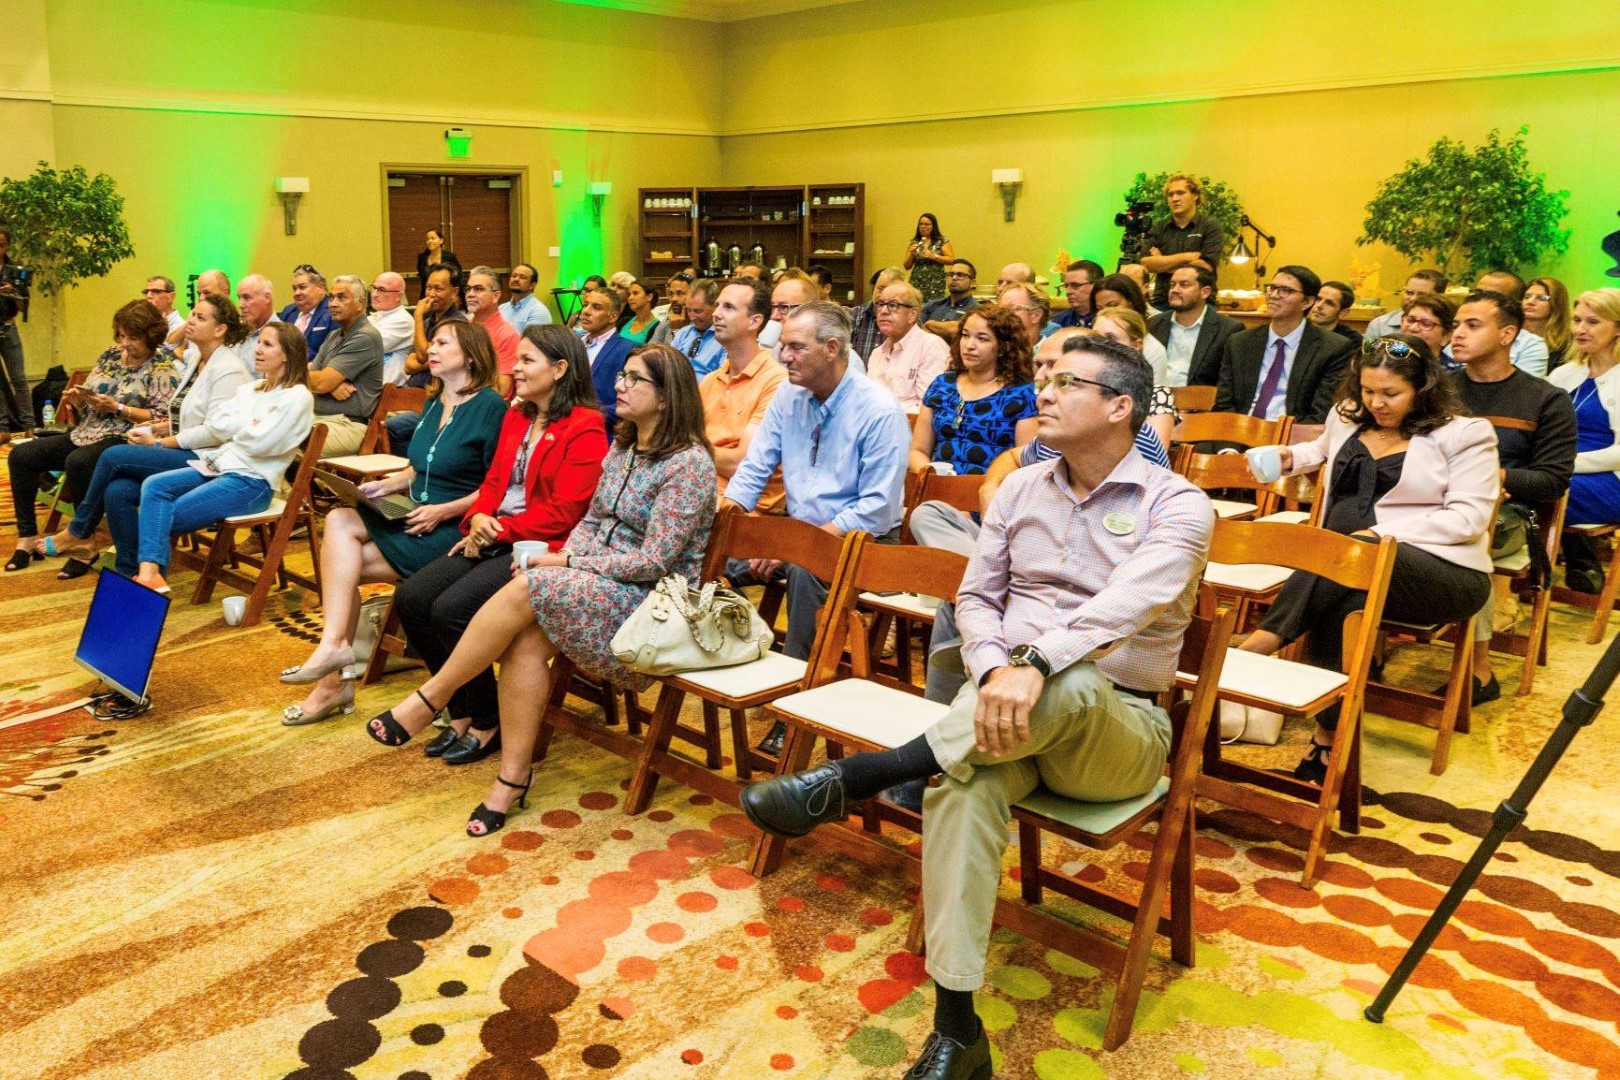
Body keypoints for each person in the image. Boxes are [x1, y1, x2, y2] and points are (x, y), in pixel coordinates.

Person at [740, 336, 1212, 1078]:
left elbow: (1127, 606)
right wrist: (999, 669)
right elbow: (977, 597)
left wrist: (1033, 663)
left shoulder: (1177, 503)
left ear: (1120, 407)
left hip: (1118, 733)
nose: (1044, 393)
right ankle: (959, 1032)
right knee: (961, 787)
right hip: (1006, 721)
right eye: (1045, 380)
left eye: (1067, 383)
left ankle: (859, 776)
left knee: (1074, 676)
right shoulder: (1023, 489)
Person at [365, 344, 717, 839]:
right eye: (623, 376)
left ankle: (433, 696)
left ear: (666, 397)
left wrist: (566, 560)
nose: (619, 385)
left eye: (634, 379)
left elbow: (654, 562)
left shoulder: (688, 465)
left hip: (651, 604)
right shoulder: (625, 446)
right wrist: (566, 558)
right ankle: (512, 777)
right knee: (527, 637)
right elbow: (592, 521)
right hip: (595, 585)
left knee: (531, 582)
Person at [1232, 334, 1497, 780]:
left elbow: (1468, 519)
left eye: (1391, 393)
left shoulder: (1465, 434)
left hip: (1442, 575)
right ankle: (1326, 744)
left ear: (1423, 388)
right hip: (1352, 573)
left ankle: (1263, 641)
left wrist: (1378, 534)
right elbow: (1318, 453)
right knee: (1348, 596)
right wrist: (1284, 456)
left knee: (1349, 557)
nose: (1377, 402)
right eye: (1368, 391)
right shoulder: (1348, 416)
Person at [281, 319, 508, 725]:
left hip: (450, 527)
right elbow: (422, 464)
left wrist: (445, 509)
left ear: (471, 356)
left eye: (442, 343)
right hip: (413, 511)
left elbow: (496, 486)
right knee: (340, 519)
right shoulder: (437, 398)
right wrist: (392, 483)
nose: (430, 349)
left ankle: (334, 680)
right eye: (433, 341)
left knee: (341, 569)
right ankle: (334, 648)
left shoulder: (490, 406)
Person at [396, 325, 607, 762]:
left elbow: (565, 511)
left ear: (560, 368)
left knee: (451, 610)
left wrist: (496, 530)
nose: (515, 367)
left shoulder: (585, 426)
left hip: (539, 546)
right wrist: (476, 519)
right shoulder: (520, 414)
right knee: (413, 597)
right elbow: (493, 481)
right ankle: (459, 712)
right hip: (494, 530)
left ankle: (487, 720)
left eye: (528, 360)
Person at [725, 303, 911, 754]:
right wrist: (727, 517)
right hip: (801, 532)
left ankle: (795, 702)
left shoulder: (879, 410)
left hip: (867, 542)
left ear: (832, 349)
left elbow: (876, 507)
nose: (782, 357)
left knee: (807, 575)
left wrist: (796, 547)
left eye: (794, 347)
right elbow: (754, 469)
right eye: (782, 345)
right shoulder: (789, 397)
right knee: (717, 559)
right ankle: (736, 671)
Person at [40, 295, 256, 577]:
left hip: (207, 459)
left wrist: (159, 442)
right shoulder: (196, 360)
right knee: (117, 491)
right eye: (192, 314)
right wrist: (156, 428)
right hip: (185, 448)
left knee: (112, 456)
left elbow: (216, 432)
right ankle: (130, 570)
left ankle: (79, 529)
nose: (190, 320)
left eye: (200, 318)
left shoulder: (228, 369)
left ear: (220, 329)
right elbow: (185, 418)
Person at [119, 321, 316, 594]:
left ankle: (148, 578)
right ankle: (150, 574)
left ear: (287, 354)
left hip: (253, 482)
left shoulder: (297, 397)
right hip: (222, 465)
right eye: (259, 342)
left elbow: (260, 443)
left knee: (164, 516)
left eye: (268, 344)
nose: (258, 349)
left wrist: (239, 426)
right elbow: (218, 423)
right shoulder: (254, 388)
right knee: (154, 485)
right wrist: (247, 424)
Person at [1449, 290, 1573, 694]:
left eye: (1472, 325)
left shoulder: (1545, 399)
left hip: (1510, 516)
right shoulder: (1440, 391)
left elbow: (1553, 481)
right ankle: (1370, 650)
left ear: (1507, 335)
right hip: (1436, 501)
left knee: (1470, 536)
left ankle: (1480, 672)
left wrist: (1488, 477)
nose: (1458, 334)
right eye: (1456, 325)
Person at [7, 301, 180, 572]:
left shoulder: (162, 368)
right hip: (86, 431)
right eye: (122, 336)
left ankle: (84, 542)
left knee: (80, 461)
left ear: (151, 336)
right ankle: (27, 536)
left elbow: (161, 420)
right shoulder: (110, 355)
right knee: (22, 455)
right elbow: (89, 396)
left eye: (133, 338)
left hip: (125, 438)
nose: (126, 344)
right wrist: (78, 400)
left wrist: (119, 408)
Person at [1545, 290, 1620, 592]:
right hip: (1562, 470)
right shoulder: (1564, 374)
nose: (1580, 329)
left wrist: (1563, 465)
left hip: (1610, 480)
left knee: (1534, 492)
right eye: (1577, 320)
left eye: (1592, 321)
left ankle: (1527, 575)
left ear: (1618, 328)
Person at [1215, 266, 1354, 423]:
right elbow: (1223, 405)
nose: (1274, 295)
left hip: (1292, 438)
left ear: (1307, 302)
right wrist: (1229, 447)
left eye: (1285, 290)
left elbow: (1321, 415)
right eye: (1272, 288)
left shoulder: (1332, 348)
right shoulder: (1239, 342)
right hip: (1238, 432)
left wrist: (1283, 444)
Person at [909, 305, 1036, 476]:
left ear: (1004, 347)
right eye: (965, 335)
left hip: (992, 492)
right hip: (937, 487)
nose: (969, 345)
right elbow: (918, 450)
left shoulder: (1022, 394)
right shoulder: (942, 385)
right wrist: (931, 476)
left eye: (982, 339)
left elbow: (1027, 465)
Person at [701, 281, 788, 512]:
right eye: (717, 305)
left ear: (755, 321)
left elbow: (742, 463)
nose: (716, 313)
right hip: (701, 493)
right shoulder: (710, 381)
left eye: (728, 307)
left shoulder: (776, 381)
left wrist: (692, 451)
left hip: (745, 510)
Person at [307, 275, 384, 458]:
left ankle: (295, 487)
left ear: (361, 303)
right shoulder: (333, 336)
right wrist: (331, 385)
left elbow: (318, 383)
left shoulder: (365, 336)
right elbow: (313, 377)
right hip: (318, 419)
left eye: (341, 297)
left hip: (349, 425)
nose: (332, 304)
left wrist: (326, 384)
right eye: (331, 297)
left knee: (282, 442)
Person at [1149, 264, 1242, 388]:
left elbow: (1230, 382)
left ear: (1205, 292)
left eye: (1184, 285)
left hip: (1199, 402)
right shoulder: (1154, 324)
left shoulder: (1228, 330)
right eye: (1172, 285)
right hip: (1155, 401)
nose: (1175, 290)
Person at [1141, 174, 1225, 302]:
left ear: (1195, 196)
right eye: (1170, 194)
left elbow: (1205, 266)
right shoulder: (1159, 227)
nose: (1175, 198)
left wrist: (1162, 262)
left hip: (1200, 301)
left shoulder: (1210, 226)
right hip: (1164, 300)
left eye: (1180, 193)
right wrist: (1189, 257)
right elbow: (1146, 264)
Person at [868, 281, 951, 412]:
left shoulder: (930, 346)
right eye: (879, 304)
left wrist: (883, 412)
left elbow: (930, 408)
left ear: (912, 314)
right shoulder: (877, 353)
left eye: (893, 305)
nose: (883, 311)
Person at [577, 286, 635, 431]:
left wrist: (588, 417)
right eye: (585, 305)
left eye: (596, 307)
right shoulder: (572, 344)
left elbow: (633, 400)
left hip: (605, 431)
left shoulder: (629, 349)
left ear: (613, 316)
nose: (586, 311)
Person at [1475, 270, 1550, 377]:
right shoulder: (1460, 333)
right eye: (1477, 294)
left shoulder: (1531, 345)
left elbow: (1522, 391)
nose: (1478, 301)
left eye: (1490, 297)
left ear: (1514, 305)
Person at [463, 266, 522, 395]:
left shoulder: (507, 335)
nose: (470, 294)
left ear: (496, 296)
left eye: (478, 289)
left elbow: (501, 391)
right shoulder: (463, 329)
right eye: (468, 289)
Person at [0, 228, 33, 437]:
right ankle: (2, 428)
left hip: (8, 327)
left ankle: (29, 425)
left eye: (2, 244)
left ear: (7, 247)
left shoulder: (14, 271)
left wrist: (13, 292)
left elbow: (22, 307)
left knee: (19, 379)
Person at [1365, 270, 1448, 341]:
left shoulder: (1450, 327)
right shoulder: (1379, 325)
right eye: (1409, 293)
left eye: (1422, 295)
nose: (1413, 299)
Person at [670, 278, 723, 378]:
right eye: (689, 310)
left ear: (715, 306)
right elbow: (669, 366)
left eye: (698, 311)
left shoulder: (725, 338)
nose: (692, 317)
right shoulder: (683, 333)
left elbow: (723, 379)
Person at [369, 271, 415, 386]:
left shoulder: (402, 320)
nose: (374, 294)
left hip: (389, 393)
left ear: (398, 296)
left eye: (381, 290)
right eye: (373, 288)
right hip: (369, 389)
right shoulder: (374, 317)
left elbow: (365, 347)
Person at [851, 267, 905, 361]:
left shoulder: (907, 318)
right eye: (880, 288)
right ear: (873, 289)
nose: (884, 294)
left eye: (891, 290)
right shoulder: (854, 315)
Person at [279, 265, 333, 355]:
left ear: (321, 288)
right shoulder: (288, 312)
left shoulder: (333, 312)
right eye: (294, 289)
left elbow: (332, 353)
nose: (296, 293)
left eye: (302, 287)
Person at [1524, 277, 1573, 373]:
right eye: (1526, 297)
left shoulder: (1569, 344)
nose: (1530, 302)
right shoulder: (1509, 335)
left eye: (1541, 298)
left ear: (1557, 303)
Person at [904, 213, 953, 302]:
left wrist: (933, 256)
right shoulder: (915, 242)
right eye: (921, 224)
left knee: (934, 308)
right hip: (917, 282)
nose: (923, 227)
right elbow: (906, 266)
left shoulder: (941, 241)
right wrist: (911, 254)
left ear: (933, 226)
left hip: (935, 284)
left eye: (926, 224)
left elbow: (951, 260)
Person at [234, 274, 282, 366]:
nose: (240, 305)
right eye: (239, 298)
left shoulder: (282, 337)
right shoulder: (236, 332)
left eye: (247, 297)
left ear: (267, 298)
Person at [1400, 293, 1457, 368]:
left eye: (1426, 324)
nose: (1413, 328)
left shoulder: (1453, 375)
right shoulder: (1383, 360)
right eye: (1411, 320)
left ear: (1446, 336)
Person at [920, 259, 979, 328]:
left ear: (973, 283)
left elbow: (958, 332)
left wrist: (929, 324)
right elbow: (915, 329)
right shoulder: (932, 305)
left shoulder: (977, 310)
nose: (954, 278)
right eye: (951, 274)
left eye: (960, 275)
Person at [996, 283, 1056, 348]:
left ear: (1036, 315)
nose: (1002, 315)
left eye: (1011, 309)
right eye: (1001, 310)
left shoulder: (1054, 353)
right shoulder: (995, 352)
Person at [1052, 259, 1105, 330]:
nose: (1068, 291)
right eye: (1066, 286)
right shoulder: (1058, 322)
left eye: (1076, 286)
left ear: (1096, 285)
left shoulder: (1108, 320)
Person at [499, 263, 551, 332]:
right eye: (513, 276)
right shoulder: (502, 308)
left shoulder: (538, 311)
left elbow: (532, 342)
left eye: (522, 277)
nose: (516, 279)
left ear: (532, 285)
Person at [1312, 280, 1364, 348]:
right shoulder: (1297, 329)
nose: (1319, 306)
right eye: (1318, 299)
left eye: (1329, 303)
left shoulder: (1351, 340)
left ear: (1343, 312)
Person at [415, 228, 460, 303]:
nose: (430, 241)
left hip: (445, 296)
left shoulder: (449, 256)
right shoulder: (422, 257)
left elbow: (458, 276)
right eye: (428, 239)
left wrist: (456, 295)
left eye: (433, 238)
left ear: (441, 240)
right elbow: (421, 277)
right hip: (427, 296)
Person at [650, 270, 691, 344]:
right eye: (671, 294)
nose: (674, 299)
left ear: (692, 295)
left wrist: (676, 331)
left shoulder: (699, 323)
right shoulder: (667, 321)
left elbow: (683, 354)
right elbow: (651, 350)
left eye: (680, 293)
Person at [620, 280, 661, 345]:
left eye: (635, 293)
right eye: (629, 294)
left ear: (649, 297)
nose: (630, 298)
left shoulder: (658, 327)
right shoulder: (623, 321)